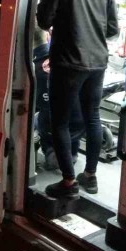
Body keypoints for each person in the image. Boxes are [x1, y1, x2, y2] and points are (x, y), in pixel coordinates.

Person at [36, 0, 118, 197]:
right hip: (97, 63)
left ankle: (68, 182)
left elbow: (43, 20)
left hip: (68, 62)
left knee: (59, 121)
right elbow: (112, 29)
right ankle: (90, 176)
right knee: (93, 117)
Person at [32, 27, 85, 172]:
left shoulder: (34, 65)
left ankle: (50, 150)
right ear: (46, 36)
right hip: (77, 122)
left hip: (53, 122)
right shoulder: (68, 58)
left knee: (37, 116)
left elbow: (36, 102)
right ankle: (72, 152)